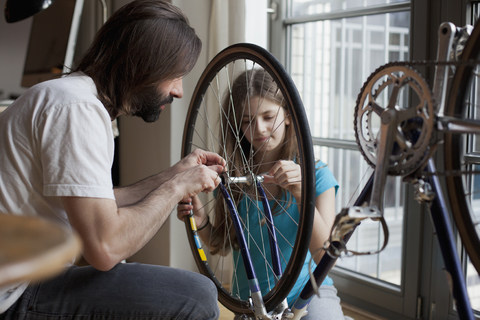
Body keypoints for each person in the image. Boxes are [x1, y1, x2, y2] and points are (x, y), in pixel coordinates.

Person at [0, 1, 223, 319]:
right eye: (175, 76)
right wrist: (175, 187)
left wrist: (172, 174)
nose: (179, 92)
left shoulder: (70, 97)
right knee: (197, 297)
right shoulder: (78, 110)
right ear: (144, 65)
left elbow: (93, 204)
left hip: (20, 279)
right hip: (13, 295)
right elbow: (105, 249)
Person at [177, 69, 348, 319]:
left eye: (269, 116)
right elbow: (222, 243)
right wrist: (200, 220)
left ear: (289, 115)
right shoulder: (231, 177)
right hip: (252, 302)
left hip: (309, 293)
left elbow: (325, 255)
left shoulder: (317, 175)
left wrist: (301, 194)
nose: (260, 129)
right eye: (247, 121)